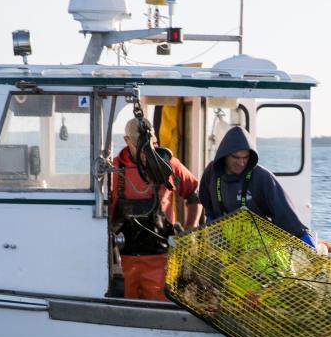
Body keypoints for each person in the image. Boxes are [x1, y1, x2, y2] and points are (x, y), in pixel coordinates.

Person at [110, 118, 200, 300]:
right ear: (127, 141)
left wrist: (190, 230)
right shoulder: (114, 168)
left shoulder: (169, 165)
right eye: (140, 147)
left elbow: (194, 194)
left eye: (150, 146)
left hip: (163, 259)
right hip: (125, 259)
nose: (146, 153)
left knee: (162, 310)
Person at [198, 126, 315, 248]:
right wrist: (211, 220)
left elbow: (285, 214)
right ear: (224, 156)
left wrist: (305, 238)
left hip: (259, 247)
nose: (241, 163)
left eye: (245, 157)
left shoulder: (262, 177)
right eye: (236, 157)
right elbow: (206, 202)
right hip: (223, 244)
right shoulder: (212, 172)